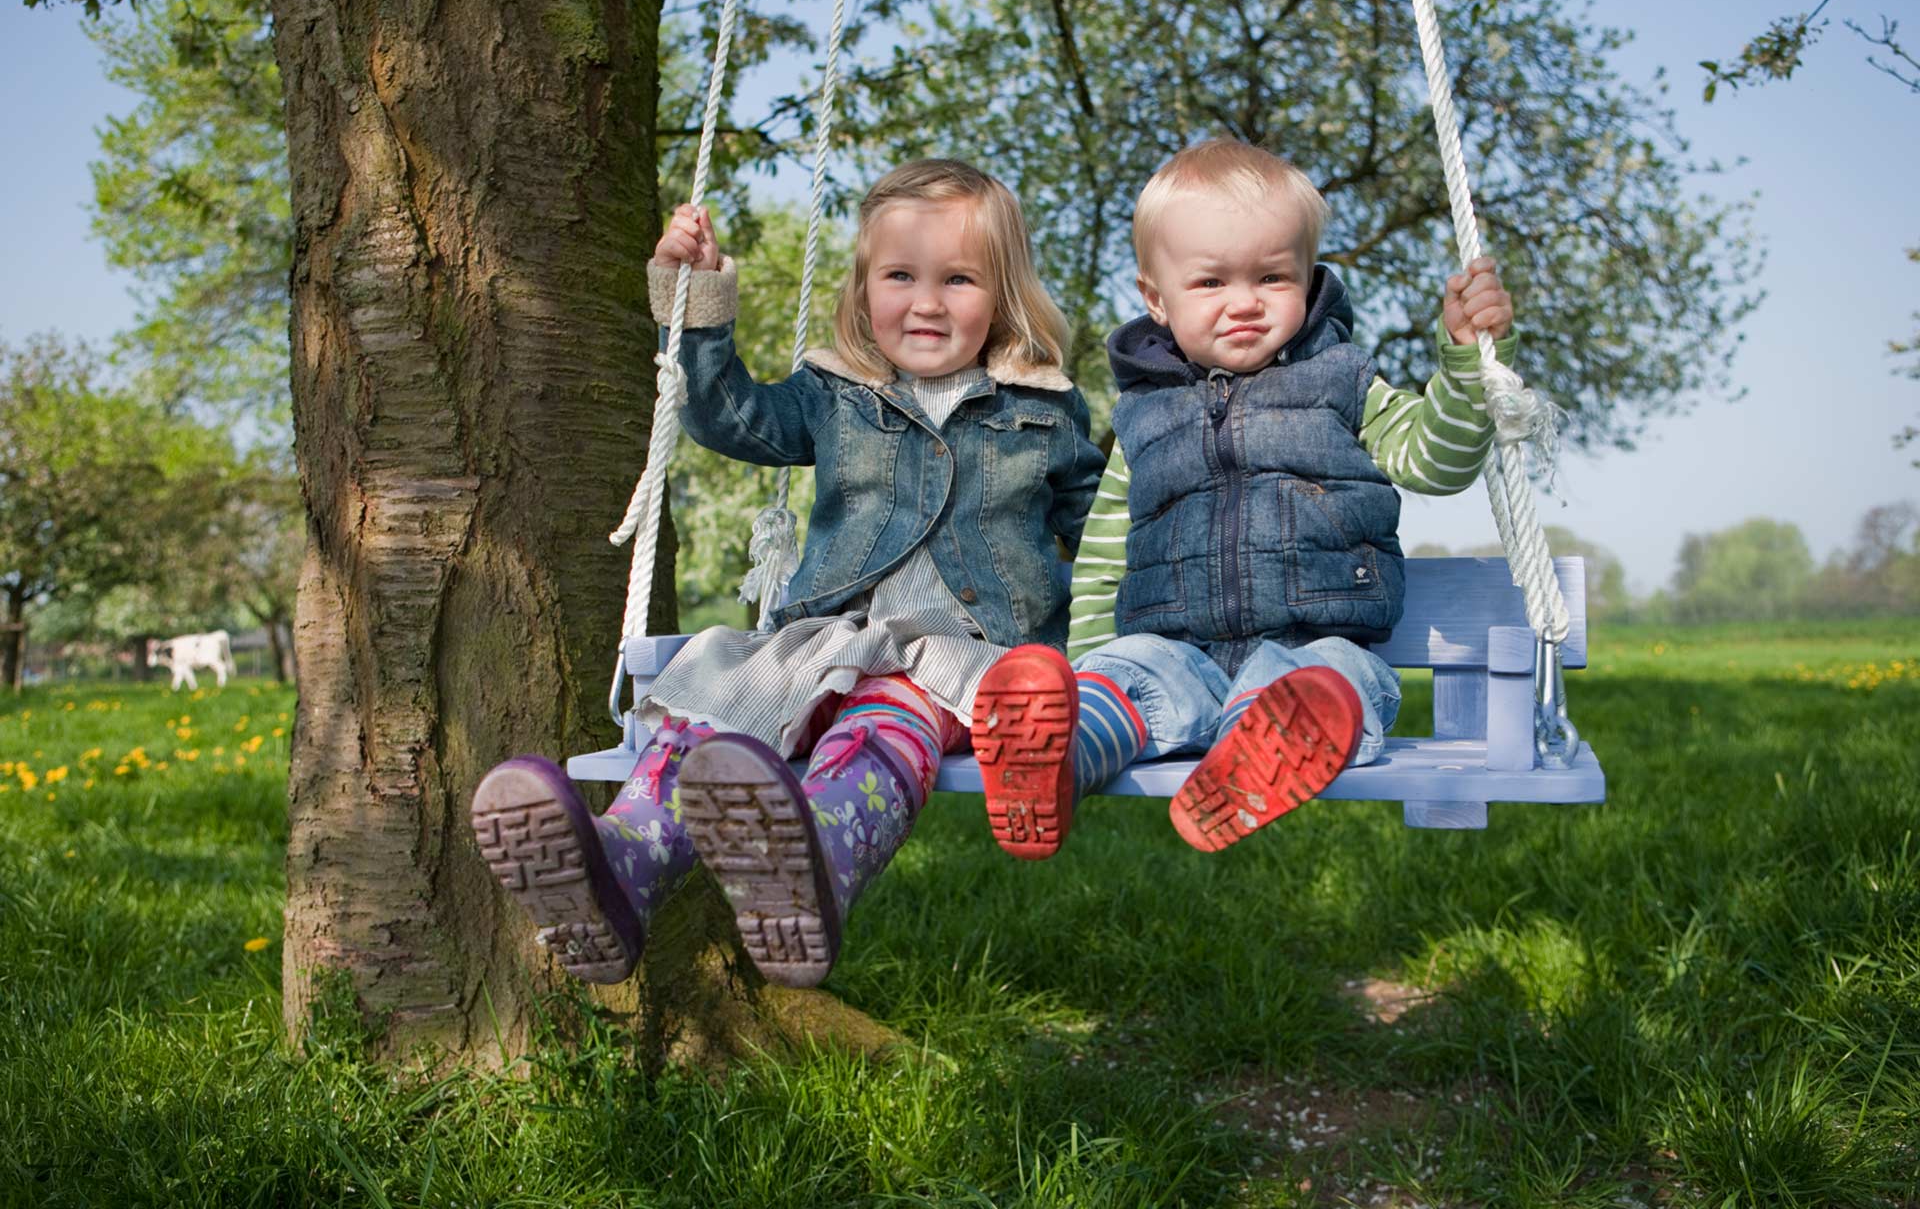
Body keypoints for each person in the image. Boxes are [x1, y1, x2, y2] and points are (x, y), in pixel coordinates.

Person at [470, 159, 1104, 987]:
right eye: (900, 275)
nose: (926, 301)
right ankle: (620, 865)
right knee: (717, 709)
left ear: (1004, 292)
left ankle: (820, 860)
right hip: (826, 632)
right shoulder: (836, 395)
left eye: (959, 279)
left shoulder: (1045, 408)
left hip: (958, 653)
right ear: (864, 286)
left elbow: (1104, 537)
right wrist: (696, 306)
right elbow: (727, 416)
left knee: (882, 734)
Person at [969, 138, 1517, 859]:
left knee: (1323, 685)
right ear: (1156, 300)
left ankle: (1257, 756)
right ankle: (1054, 760)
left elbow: (1437, 460)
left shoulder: (1344, 385)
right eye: (1211, 284)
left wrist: (1468, 362)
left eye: (1271, 277)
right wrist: (1099, 662)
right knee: (1130, 680)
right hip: (1176, 653)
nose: (1245, 304)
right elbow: (1106, 557)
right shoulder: (1142, 422)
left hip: (1322, 649)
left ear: (1307, 276)